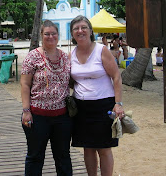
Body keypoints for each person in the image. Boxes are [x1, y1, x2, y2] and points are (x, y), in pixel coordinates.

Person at [69, 15, 124, 176]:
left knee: (104, 148)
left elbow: (116, 76)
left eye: (84, 27)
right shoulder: (71, 54)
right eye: (76, 28)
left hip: (104, 105)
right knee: (88, 148)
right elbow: (71, 81)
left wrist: (118, 103)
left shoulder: (101, 50)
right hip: (81, 107)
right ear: (72, 33)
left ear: (91, 31)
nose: (80, 31)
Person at [20, 20, 72, 175]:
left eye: (54, 33)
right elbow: (25, 85)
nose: (51, 36)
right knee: (35, 156)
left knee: (63, 157)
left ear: (58, 35)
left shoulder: (65, 57)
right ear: (41, 35)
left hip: (62, 117)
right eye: (47, 34)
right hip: (37, 116)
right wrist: (26, 110)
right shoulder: (32, 57)